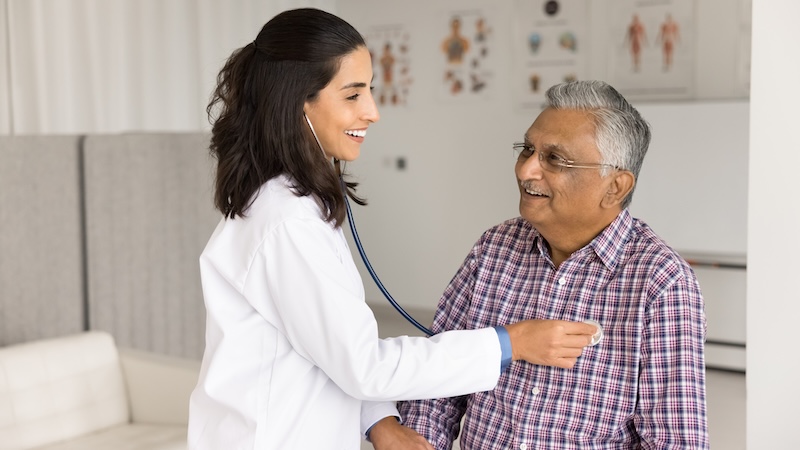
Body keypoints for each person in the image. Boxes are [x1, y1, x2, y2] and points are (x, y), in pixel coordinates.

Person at [187, 9, 598, 450]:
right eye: (353, 95)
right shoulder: (286, 223)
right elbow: (363, 364)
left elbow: (328, 347)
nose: (373, 112)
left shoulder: (288, 206)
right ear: (298, 103)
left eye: (371, 91)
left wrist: (377, 421)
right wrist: (509, 342)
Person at [376, 80, 709, 448]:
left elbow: (676, 442)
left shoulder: (661, 282)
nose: (526, 171)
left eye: (554, 159)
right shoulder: (494, 248)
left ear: (615, 186)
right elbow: (436, 387)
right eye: (528, 150)